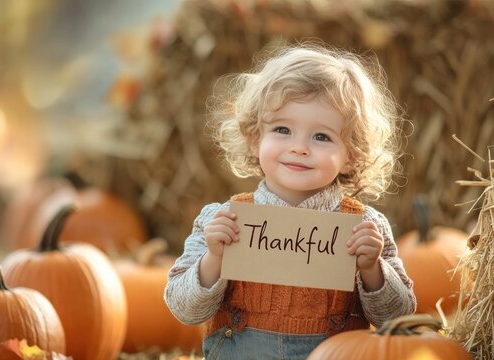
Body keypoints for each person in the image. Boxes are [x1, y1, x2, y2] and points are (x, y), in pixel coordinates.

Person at [164, 43, 416, 360]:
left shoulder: (364, 228)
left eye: (321, 136)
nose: (299, 147)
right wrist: (214, 259)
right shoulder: (223, 220)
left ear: (351, 155)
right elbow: (184, 310)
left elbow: (397, 318)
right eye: (282, 129)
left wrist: (372, 269)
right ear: (255, 139)